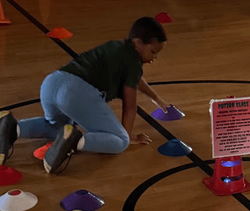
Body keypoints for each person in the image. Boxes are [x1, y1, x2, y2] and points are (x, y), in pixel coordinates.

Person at [0, 16, 170, 176]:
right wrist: (127, 135)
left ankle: (13, 128)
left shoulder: (117, 47)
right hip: (76, 93)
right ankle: (75, 141)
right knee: (120, 141)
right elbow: (130, 106)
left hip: (52, 83)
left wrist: (157, 98)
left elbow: (136, 79)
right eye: (153, 52)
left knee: (56, 127)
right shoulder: (133, 62)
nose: (155, 57)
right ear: (138, 43)